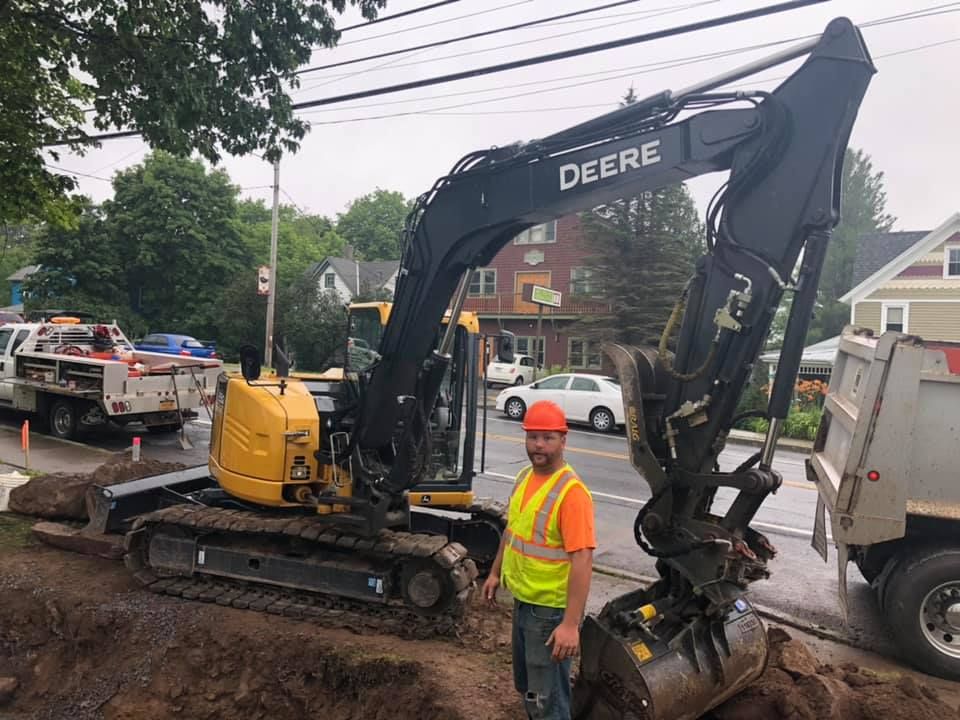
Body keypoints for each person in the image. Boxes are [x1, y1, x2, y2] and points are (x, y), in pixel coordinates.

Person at [482, 400, 595, 720]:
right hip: (523, 602)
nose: (538, 445)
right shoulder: (524, 477)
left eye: (547, 438)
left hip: (549, 613)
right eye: (533, 437)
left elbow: (583, 560)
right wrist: (494, 573)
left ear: (563, 439)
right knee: (529, 688)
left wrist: (570, 625)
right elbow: (512, 532)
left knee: (548, 699)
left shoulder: (571, 493)